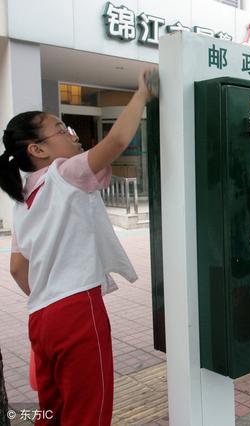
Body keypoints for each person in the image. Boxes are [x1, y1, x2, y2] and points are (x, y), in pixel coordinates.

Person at [0, 70, 152, 425]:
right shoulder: (63, 173)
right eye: (61, 129)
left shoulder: (22, 202)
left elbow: (17, 269)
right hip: (77, 310)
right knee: (88, 413)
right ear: (37, 150)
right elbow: (115, 142)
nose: (72, 134)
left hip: (41, 316)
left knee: (51, 411)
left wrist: (50, 296)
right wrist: (142, 93)